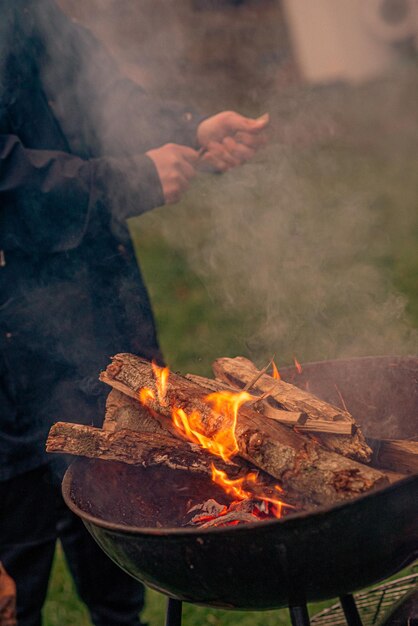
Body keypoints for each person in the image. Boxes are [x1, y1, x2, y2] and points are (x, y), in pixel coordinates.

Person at [0, 1, 269, 625]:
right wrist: (122, 182)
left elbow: (101, 100)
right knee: (18, 550)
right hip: (12, 326)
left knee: (111, 491)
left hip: (92, 306)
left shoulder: (35, 12)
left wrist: (187, 126)